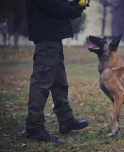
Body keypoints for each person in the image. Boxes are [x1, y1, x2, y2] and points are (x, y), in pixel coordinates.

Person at [25, 0, 88, 142]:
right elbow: (51, 5)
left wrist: (72, 5)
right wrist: (72, 10)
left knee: (59, 80)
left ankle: (65, 119)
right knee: (41, 82)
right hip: (46, 36)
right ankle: (34, 127)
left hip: (52, 36)